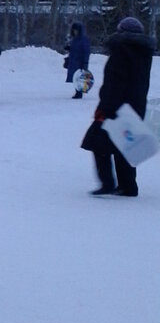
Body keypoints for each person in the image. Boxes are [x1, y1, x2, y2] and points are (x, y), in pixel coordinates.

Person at [81, 16, 155, 197]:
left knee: (97, 143)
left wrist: (105, 107)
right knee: (126, 145)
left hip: (114, 107)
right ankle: (128, 186)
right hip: (136, 107)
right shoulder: (143, 54)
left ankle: (107, 183)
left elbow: (115, 84)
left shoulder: (121, 52)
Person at [64, 21, 91, 99]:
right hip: (74, 60)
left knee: (79, 76)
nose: (75, 32)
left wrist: (85, 62)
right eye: (73, 30)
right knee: (75, 76)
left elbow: (86, 51)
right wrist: (69, 48)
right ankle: (77, 91)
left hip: (80, 61)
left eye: (76, 30)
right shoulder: (75, 39)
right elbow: (74, 49)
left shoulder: (84, 39)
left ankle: (79, 92)